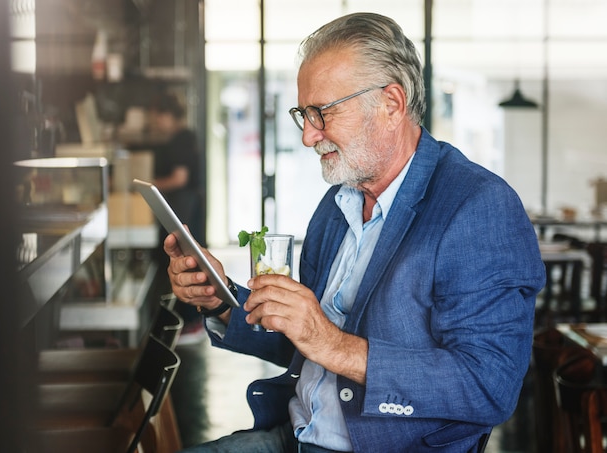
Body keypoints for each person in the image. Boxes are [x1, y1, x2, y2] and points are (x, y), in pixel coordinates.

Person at [165, 12, 546, 453]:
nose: (309, 137)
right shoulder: (338, 201)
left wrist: (332, 343)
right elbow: (303, 340)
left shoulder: (478, 206)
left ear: (391, 103)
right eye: (303, 114)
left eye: (322, 112)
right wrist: (222, 301)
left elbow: (488, 386)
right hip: (296, 436)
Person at [149, 93, 206, 345]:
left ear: (168, 115)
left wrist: (150, 186)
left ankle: (191, 323)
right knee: (187, 260)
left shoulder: (181, 139)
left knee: (187, 261)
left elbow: (179, 179)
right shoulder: (184, 137)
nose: (157, 123)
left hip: (185, 204)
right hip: (187, 204)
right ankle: (189, 322)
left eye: (157, 117)